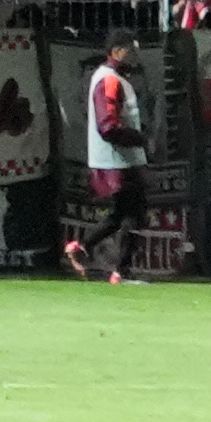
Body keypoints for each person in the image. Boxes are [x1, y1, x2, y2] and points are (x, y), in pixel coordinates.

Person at [66, 33, 148, 283]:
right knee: (133, 213)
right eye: (131, 50)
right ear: (117, 51)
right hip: (118, 160)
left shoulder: (110, 78)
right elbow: (108, 126)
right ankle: (120, 272)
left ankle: (81, 249)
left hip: (120, 158)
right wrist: (140, 139)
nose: (135, 55)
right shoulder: (109, 80)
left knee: (122, 214)